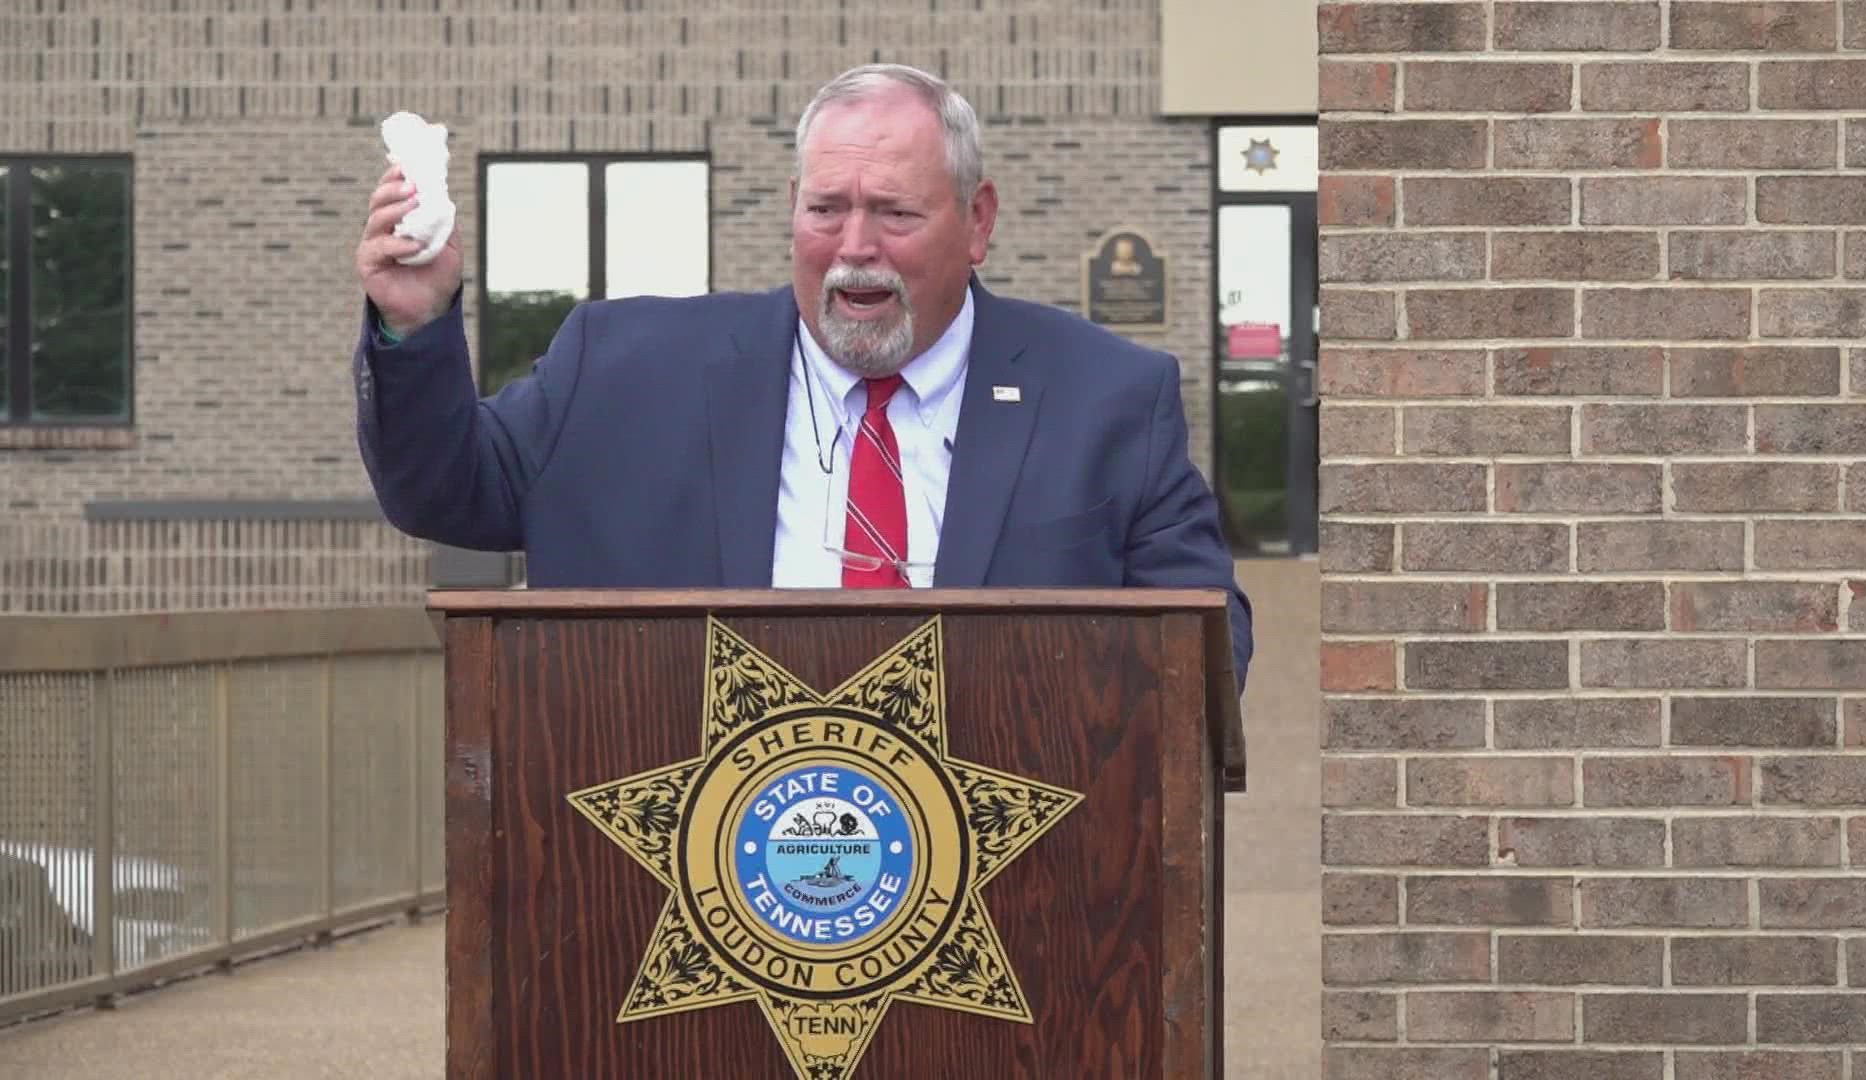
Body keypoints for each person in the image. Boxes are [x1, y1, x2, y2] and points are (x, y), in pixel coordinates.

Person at [352, 63, 1253, 689]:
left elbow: (1210, 644)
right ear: (793, 208)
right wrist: (414, 323)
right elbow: (444, 490)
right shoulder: (619, 370)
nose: (855, 249)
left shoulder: (1108, 398)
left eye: (895, 213)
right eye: (827, 209)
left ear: (977, 222)